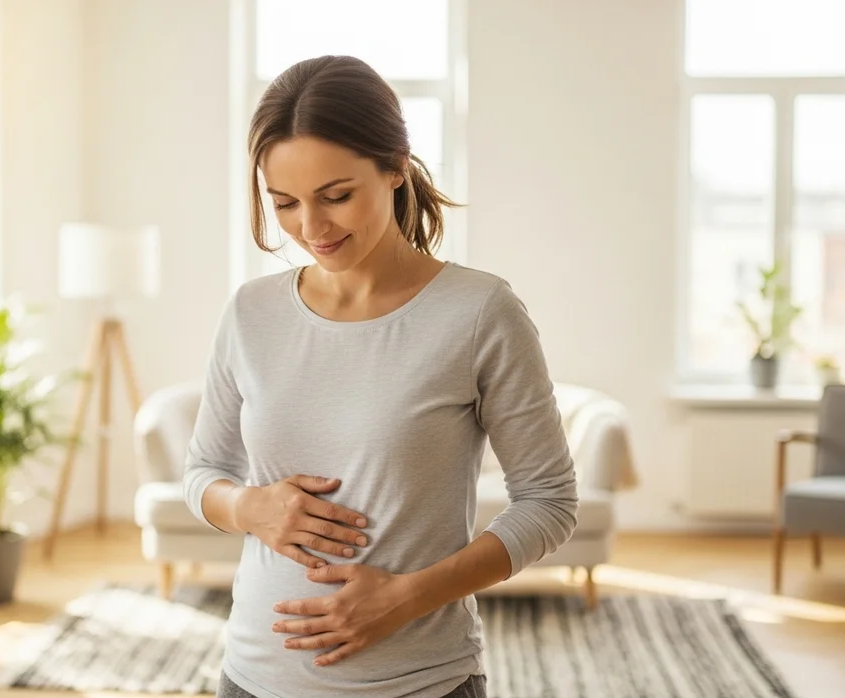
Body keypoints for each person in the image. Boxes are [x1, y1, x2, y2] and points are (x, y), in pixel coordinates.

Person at [183, 55, 579, 698]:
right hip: (253, 678)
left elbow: (549, 501)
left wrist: (407, 597)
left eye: (336, 196)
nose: (311, 228)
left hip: (422, 682)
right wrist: (249, 507)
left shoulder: (479, 312)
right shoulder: (250, 313)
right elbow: (203, 472)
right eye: (285, 203)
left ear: (396, 166)